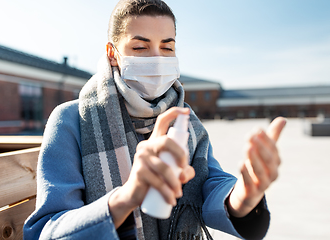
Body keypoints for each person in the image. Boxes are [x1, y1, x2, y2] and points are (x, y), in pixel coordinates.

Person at [23, 0, 286, 239]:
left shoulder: (188, 123)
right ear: (112, 53)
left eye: (167, 46)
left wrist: (244, 195)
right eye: (140, 47)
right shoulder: (71, 121)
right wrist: (127, 197)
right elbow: (46, 230)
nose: (157, 59)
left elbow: (210, 183)